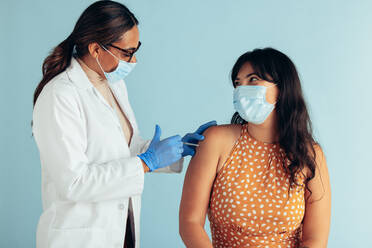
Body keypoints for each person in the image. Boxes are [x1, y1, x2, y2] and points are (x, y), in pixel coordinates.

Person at [32, 1, 216, 247]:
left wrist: (174, 151)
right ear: (96, 49)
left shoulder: (114, 85)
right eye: (127, 52)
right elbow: (73, 183)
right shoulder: (60, 95)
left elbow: (122, 149)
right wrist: (145, 163)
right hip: (80, 237)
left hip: (121, 229)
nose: (134, 60)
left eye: (136, 49)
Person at [179, 48, 331, 247]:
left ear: (282, 87)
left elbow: (315, 239)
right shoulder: (216, 140)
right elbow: (190, 223)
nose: (242, 89)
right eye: (237, 83)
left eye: (253, 79)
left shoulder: (310, 154)